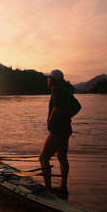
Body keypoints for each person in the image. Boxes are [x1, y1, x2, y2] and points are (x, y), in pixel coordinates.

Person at [39, 69, 74, 199]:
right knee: (62, 157)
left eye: (49, 78)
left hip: (58, 130)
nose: (47, 80)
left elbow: (57, 108)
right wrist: (67, 117)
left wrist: (50, 121)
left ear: (52, 80)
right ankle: (63, 187)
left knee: (43, 158)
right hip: (66, 128)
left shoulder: (57, 92)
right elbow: (77, 107)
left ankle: (48, 188)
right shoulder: (65, 91)